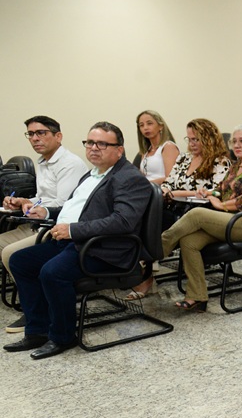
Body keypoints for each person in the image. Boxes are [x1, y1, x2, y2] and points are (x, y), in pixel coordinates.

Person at [5, 122, 153, 359]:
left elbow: (123, 222)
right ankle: (37, 331)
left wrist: (73, 230)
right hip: (77, 241)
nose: (94, 148)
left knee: (52, 272)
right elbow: (76, 208)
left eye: (102, 144)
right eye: (90, 143)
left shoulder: (129, 178)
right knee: (21, 261)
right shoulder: (92, 173)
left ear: (119, 149)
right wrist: (47, 213)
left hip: (103, 249)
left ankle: (63, 336)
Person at [159, 124, 242, 312]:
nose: (236, 145)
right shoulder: (236, 166)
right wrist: (209, 192)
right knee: (188, 241)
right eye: (234, 142)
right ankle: (197, 296)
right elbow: (220, 190)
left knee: (196, 214)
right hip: (229, 220)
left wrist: (221, 205)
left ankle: (156, 250)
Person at [2, 116, 89, 333]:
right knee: (1, 244)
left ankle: (37, 308)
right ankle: (34, 303)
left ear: (58, 136)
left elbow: (64, 204)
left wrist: (33, 204)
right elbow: (42, 197)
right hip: (38, 222)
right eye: (31, 134)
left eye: (41, 133)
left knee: (11, 254)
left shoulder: (70, 164)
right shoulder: (43, 161)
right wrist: (23, 201)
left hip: (56, 226)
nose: (35, 138)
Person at [140, 117, 230, 244]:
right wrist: (166, 190)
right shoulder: (184, 158)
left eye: (196, 140)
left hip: (196, 211)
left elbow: (215, 192)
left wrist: (175, 194)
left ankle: (147, 256)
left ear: (209, 140)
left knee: (152, 221)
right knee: (143, 215)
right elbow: (168, 183)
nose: (191, 144)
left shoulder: (220, 162)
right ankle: (143, 255)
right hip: (173, 206)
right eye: (189, 139)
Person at [134, 110, 180, 188]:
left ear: (160, 126)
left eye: (149, 123)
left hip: (161, 192)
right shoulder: (145, 151)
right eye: (141, 125)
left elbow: (171, 178)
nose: (145, 128)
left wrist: (144, 184)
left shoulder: (168, 147)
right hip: (146, 191)